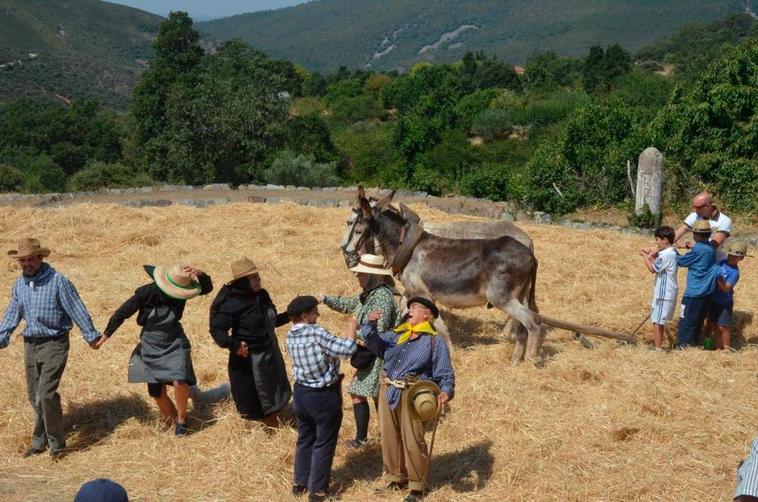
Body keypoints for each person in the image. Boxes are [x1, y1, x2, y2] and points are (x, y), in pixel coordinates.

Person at [0, 238, 102, 460]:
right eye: (22, 260)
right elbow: (13, 312)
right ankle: (39, 441)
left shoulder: (58, 281)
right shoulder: (19, 284)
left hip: (55, 342)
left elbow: (76, 308)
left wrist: (91, 336)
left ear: (40, 258)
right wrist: (2, 334)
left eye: (30, 259)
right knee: (33, 395)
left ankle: (57, 445)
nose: (26, 263)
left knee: (46, 394)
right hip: (30, 344)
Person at [98, 264, 213, 436]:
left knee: (180, 380)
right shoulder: (146, 292)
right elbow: (123, 312)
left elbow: (206, 288)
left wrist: (200, 274)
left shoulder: (181, 292)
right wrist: (106, 334)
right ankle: (174, 424)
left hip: (174, 339)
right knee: (156, 391)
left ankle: (182, 419)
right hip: (150, 341)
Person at [362, 297, 455, 502]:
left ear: (426, 314)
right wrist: (370, 324)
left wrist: (446, 390)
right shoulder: (396, 335)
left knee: (413, 439)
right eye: (410, 306)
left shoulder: (434, 341)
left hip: (414, 394)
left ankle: (417, 485)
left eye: (415, 307)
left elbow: (445, 372)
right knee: (389, 436)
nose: (410, 309)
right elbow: (374, 344)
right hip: (388, 390)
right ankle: (396, 477)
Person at [322, 253, 399, 448]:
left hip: (379, 355)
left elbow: (378, 332)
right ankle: (382, 435)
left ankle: (369, 438)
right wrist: (324, 299)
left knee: (366, 393)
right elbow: (349, 304)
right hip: (373, 354)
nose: (357, 277)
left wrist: (354, 331)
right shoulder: (369, 294)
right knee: (371, 394)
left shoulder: (381, 297)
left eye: (361, 274)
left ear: (374, 276)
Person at [285, 296, 357, 502]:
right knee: (324, 442)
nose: (318, 314)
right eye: (315, 311)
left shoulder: (290, 335)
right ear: (304, 316)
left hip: (300, 393)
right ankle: (317, 491)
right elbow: (346, 350)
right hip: (323, 396)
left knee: (305, 438)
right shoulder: (316, 332)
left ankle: (300, 482)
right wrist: (352, 326)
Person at [209, 257, 291, 426]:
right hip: (249, 361)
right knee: (257, 400)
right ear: (242, 282)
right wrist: (235, 345)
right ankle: (268, 428)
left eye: (257, 276)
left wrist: (293, 314)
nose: (259, 280)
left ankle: (274, 421)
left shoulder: (262, 296)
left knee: (274, 394)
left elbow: (271, 321)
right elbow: (217, 331)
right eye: (254, 277)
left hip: (270, 354)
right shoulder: (231, 303)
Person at [675, 220, 719, 348]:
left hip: (694, 292)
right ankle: (693, 344)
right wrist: (688, 246)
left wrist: (670, 251)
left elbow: (682, 261)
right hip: (706, 292)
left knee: (686, 320)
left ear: (696, 235)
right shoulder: (710, 246)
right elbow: (698, 251)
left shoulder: (699, 249)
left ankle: (683, 345)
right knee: (698, 321)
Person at [638, 226, 678, 350]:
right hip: (667, 292)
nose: (656, 243)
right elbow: (658, 264)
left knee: (657, 321)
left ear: (665, 240)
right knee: (659, 320)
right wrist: (651, 256)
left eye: (657, 240)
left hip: (663, 294)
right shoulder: (671, 253)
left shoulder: (667, 255)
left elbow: (653, 269)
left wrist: (645, 256)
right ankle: (660, 345)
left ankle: (658, 348)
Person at [708, 241, 748, 350]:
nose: (732, 258)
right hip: (715, 298)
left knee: (723, 327)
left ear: (741, 258)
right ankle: (717, 347)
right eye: (731, 255)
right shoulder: (722, 262)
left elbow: (726, 288)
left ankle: (726, 349)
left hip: (724, 301)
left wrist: (718, 278)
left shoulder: (735, 273)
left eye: (736, 257)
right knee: (715, 325)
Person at [674, 191, 732, 259]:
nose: (695, 210)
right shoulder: (694, 216)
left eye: (698, 207)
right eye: (694, 207)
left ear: (708, 206)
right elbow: (676, 234)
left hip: (717, 261)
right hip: (699, 258)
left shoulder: (724, 220)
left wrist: (688, 245)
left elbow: (712, 246)